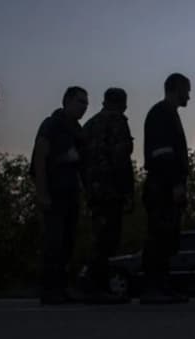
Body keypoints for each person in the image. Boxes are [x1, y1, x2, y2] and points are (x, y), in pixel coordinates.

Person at [31, 86, 88, 305]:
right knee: (53, 242)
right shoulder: (52, 124)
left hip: (71, 194)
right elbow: (40, 156)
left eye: (86, 103)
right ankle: (49, 289)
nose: (84, 107)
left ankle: (62, 287)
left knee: (67, 243)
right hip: (55, 193)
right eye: (80, 102)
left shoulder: (77, 130)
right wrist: (42, 193)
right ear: (67, 101)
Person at [79, 88, 134, 304]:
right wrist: (127, 191)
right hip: (111, 190)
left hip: (94, 190)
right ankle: (95, 285)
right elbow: (121, 159)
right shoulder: (117, 121)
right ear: (122, 103)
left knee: (100, 237)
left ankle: (93, 283)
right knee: (107, 239)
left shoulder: (90, 125)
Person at [140, 73, 192, 304]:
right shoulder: (161, 113)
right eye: (187, 90)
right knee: (159, 236)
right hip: (162, 186)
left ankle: (162, 285)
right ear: (177, 88)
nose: (189, 96)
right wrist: (175, 183)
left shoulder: (168, 113)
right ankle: (152, 287)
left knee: (168, 238)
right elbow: (163, 153)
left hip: (165, 185)